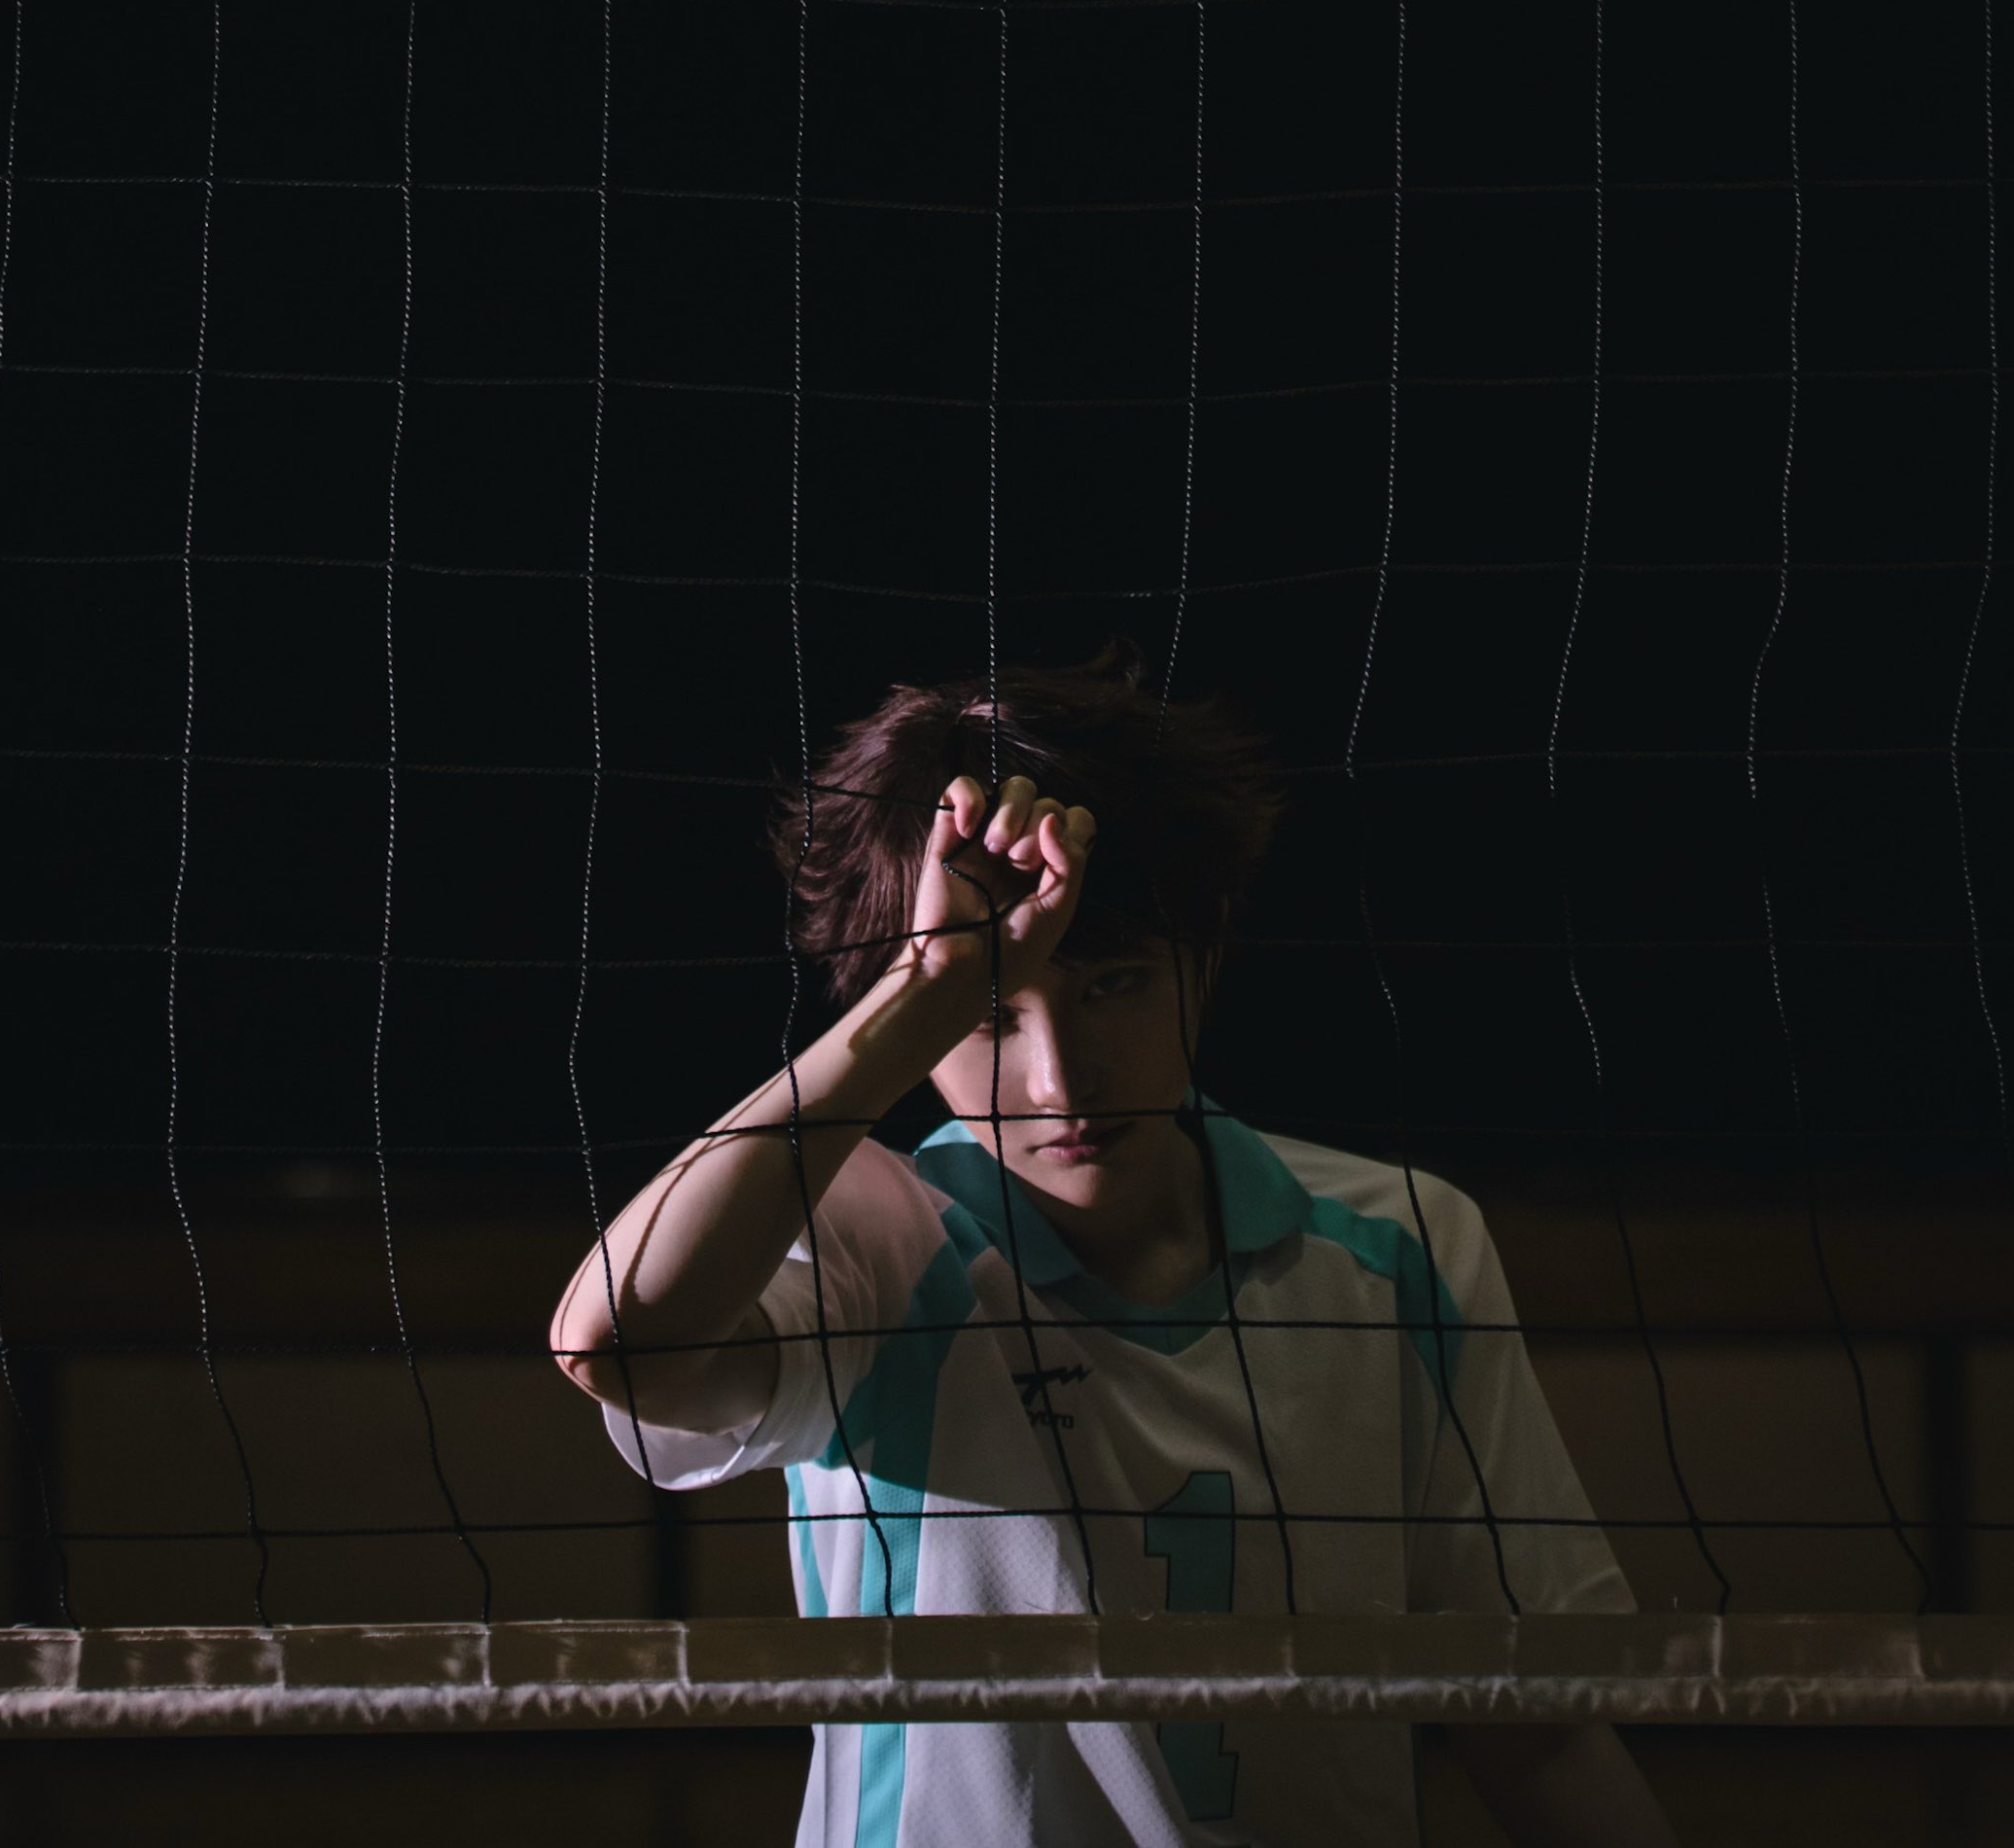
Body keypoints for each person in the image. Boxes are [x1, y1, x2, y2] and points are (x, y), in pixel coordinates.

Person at [551, 644, 1678, 1847]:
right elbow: (618, 1342)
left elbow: (1533, 1724)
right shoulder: (868, 1238)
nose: (1060, 1083)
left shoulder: (1402, 1241)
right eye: (991, 1014)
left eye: (1116, 984)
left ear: (1207, 952)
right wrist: (931, 979)